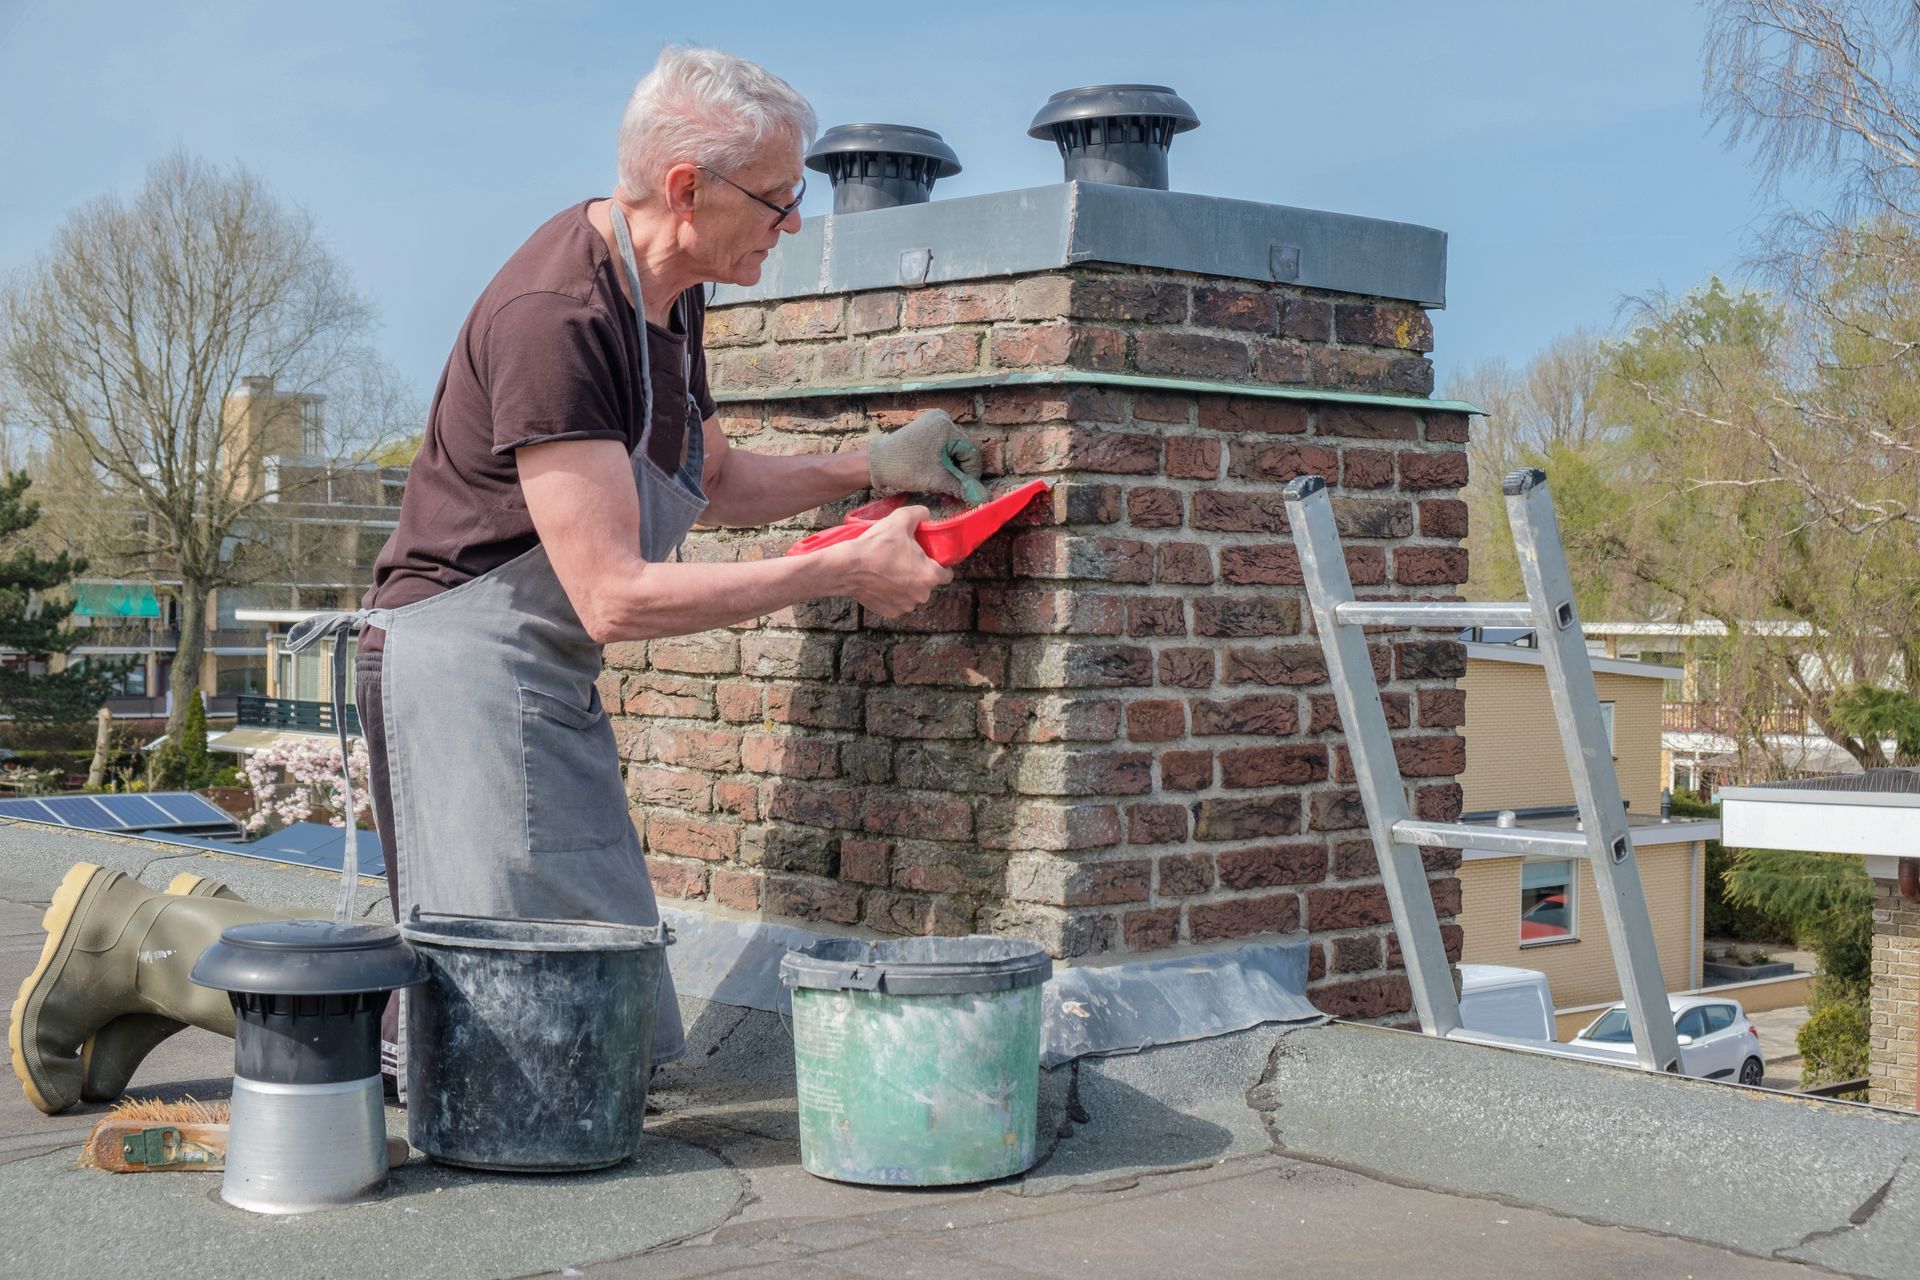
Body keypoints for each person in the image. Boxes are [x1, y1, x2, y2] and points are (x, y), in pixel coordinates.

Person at [10, 44, 982, 1114]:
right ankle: (146, 942)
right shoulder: (556, 317)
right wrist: (841, 570)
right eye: (780, 197)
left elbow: (706, 475)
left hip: (543, 672)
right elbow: (612, 590)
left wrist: (870, 464)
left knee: (599, 1025)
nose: (795, 221)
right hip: (460, 669)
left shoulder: (672, 298)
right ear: (685, 189)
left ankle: (172, 940)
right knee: (500, 1044)